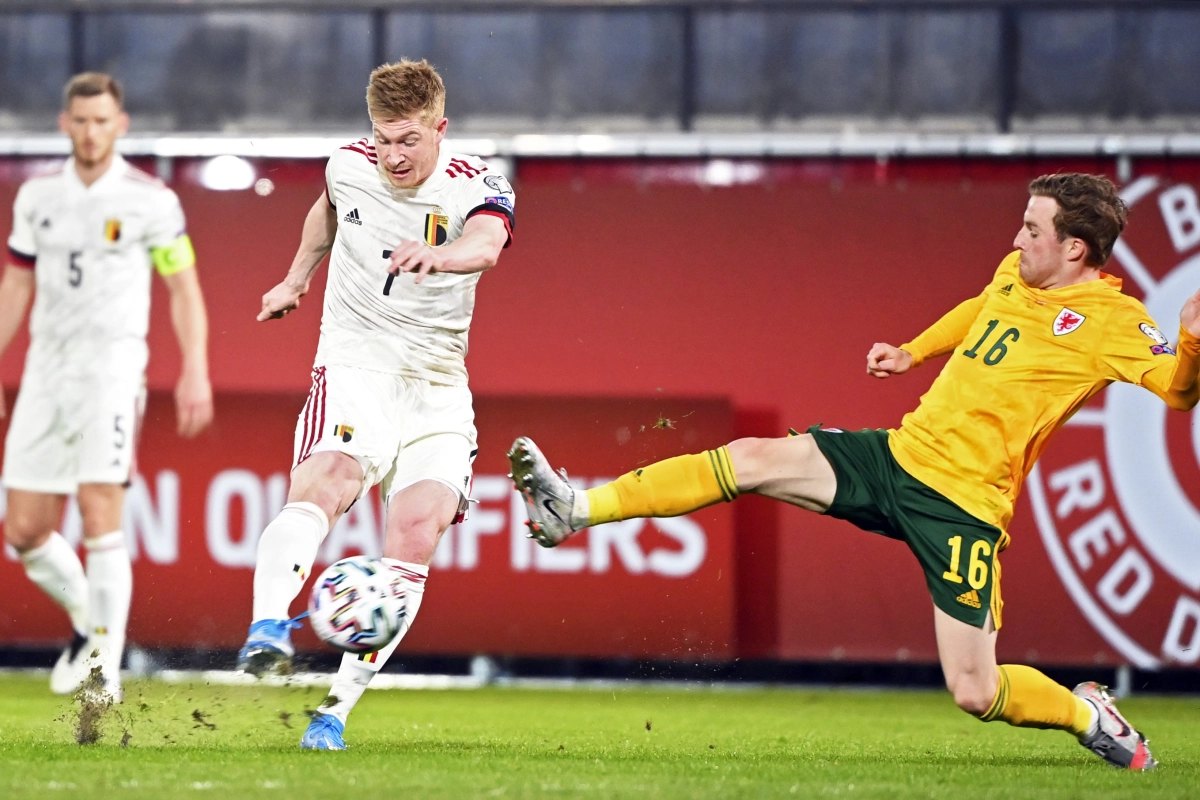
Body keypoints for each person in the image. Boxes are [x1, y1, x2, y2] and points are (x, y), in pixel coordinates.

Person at [510, 173, 1200, 771]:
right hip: (898, 457)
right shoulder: (1014, 274)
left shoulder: (1113, 321)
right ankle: (575, 511)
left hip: (961, 508)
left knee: (975, 690)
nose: (1017, 238)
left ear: (1073, 247)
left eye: (1031, 229)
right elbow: (980, 311)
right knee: (752, 458)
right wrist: (913, 352)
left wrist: (1193, 338)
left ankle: (1088, 718)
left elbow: (1177, 389)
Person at [238, 59, 514, 751]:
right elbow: (330, 209)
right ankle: (268, 627)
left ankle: (332, 715)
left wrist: (440, 258)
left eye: (409, 140)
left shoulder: (479, 182)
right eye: (383, 139)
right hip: (357, 364)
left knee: (416, 535)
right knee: (326, 482)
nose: (393, 155)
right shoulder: (348, 165)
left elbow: (487, 244)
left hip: (438, 386)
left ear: (439, 129)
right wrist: (296, 277)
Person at [0, 73, 212, 702]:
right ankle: (87, 625)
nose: (91, 132)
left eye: (103, 121)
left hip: (113, 372)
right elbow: (16, 286)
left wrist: (195, 366)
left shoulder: (150, 199)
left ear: (120, 126)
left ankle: (105, 672)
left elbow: (182, 288)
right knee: (24, 531)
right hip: (46, 372)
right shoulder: (37, 197)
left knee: (99, 511)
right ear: (65, 125)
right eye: (81, 121)